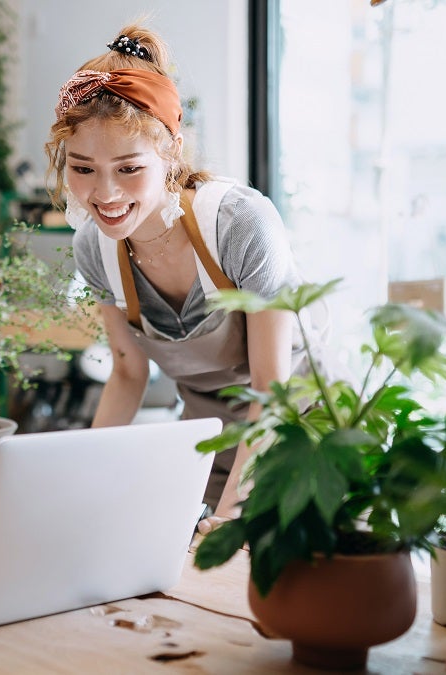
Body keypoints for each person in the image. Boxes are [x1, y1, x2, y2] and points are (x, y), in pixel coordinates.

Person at [46, 25, 336, 528]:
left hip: (304, 430)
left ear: (171, 153)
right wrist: (79, 483)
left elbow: (271, 392)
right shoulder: (94, 247)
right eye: (83, 169)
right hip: (214, 442)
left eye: (129, 168)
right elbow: (127, 373)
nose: (105, 194)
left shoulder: (240, 224)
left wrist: (229, 519)